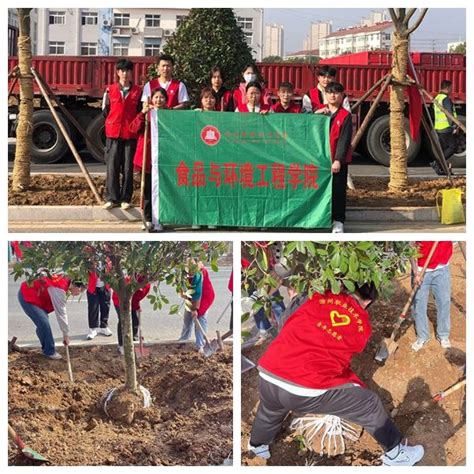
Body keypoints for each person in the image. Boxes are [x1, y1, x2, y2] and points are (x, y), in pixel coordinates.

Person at [248, 283, 425, 466]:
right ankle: (396, 454)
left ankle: (257, 445)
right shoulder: (362, 324)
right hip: (304, 388)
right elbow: (348, 350)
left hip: (269, 372)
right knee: (369, 404)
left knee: (270, 411)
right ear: (369, 300)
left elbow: (286, 322)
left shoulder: (315, 295)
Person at [102, 59, 142, 211]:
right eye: (122, 71)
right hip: (113, 134)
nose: (125, 74)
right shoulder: (109, 90)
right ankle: (112, 198)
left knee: (127, 168)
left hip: (130, 134)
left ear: (132, 73)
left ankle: (126, 198)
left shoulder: (138, 92)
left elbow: (139, 112)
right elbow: (105, 111)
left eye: (128, 71)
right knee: (112, 167)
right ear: (117, 73)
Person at [18, 274, 86, 359]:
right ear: (77, 286)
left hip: (37, 297)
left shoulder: (65, 281)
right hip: (27, 295)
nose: (78, 294)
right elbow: (61, 313)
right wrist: (65, 334)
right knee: (44, 323)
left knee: (42, 323)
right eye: (80, 291)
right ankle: (49, 352)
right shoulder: (60, 288)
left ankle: (45, 344)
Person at [129, 87, 168, 232]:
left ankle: (160, 219)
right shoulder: (146, 114)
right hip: (146, 158)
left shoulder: (169, 115)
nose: (159, 100)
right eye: (156, 97)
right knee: (147, 191)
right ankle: (148, 219)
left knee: (161, 191)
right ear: (152, 99)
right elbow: (132, 129)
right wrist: (142, 114)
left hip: (163, 159)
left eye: (162, 97)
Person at [410, 241, 453, 352]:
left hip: (442, 267)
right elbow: (409, 247)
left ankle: (443, 335)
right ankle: (422, 336)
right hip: (421, 270)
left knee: (444, 302)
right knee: (419, 304)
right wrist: (415, 272)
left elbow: (462, 240)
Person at [178, 260, 215, 353]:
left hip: (204, 297)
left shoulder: (200, 273)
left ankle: (200, 345)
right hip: (192, 296)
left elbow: (197, 292)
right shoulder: (183, 272)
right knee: (187, 318)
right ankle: (183, 340)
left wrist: (194, 309)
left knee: (200, 318)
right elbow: (183, 286)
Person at [112, 276, 151, 355]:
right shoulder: (130, 281)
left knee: (135, 322)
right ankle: (121, 345)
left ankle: (132, 341)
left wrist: (137, 307)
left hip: (132, 303)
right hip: (120, 301)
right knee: (123, 321)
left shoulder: (147, 286)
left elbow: (137, 298)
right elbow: (128, 296)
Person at [431, 80, 458, 175]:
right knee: (453, 147)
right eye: (451, 88)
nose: (451, 90)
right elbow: (449, 113)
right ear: (447, 88)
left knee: (443, 150)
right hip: (446, 127)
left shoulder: (437, 98)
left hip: (439, 127)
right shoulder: (445, 99)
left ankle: (442, 168)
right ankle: (437, 163)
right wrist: (454, 126)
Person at [86, 266, 112, 340]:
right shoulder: (90, 257)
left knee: (105, 307)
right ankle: (92, 329)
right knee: (93, 308)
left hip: (105, 286)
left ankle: (104, 326)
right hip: (92, 287)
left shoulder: (109, 257)